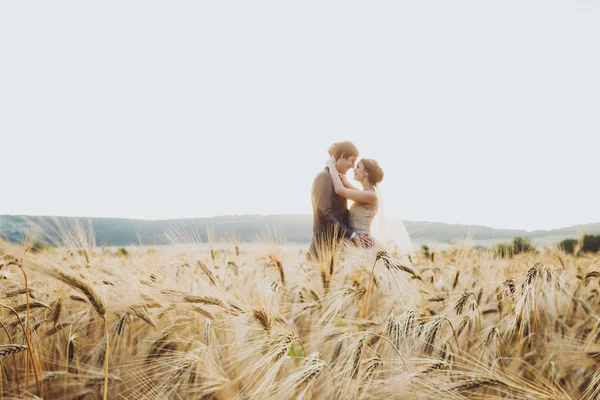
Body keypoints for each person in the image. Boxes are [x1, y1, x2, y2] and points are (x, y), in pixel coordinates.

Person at [325, 153, 414, 255]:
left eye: (358, 167)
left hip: (364, 246)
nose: (354, 169)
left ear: (366, 172)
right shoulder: (365, 194)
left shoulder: (372, 196)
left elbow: (339, 189)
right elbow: (345, 183)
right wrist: (337, 158)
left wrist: (331, 165)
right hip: (356, 243)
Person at [309, 141, 373, 259]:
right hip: (324, 250)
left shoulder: (337, 178)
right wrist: (353, 235)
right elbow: (324, 215)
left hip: (340, 250)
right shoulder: (324, 177)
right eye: (352, 160)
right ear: (343, 155)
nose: (353, 166)